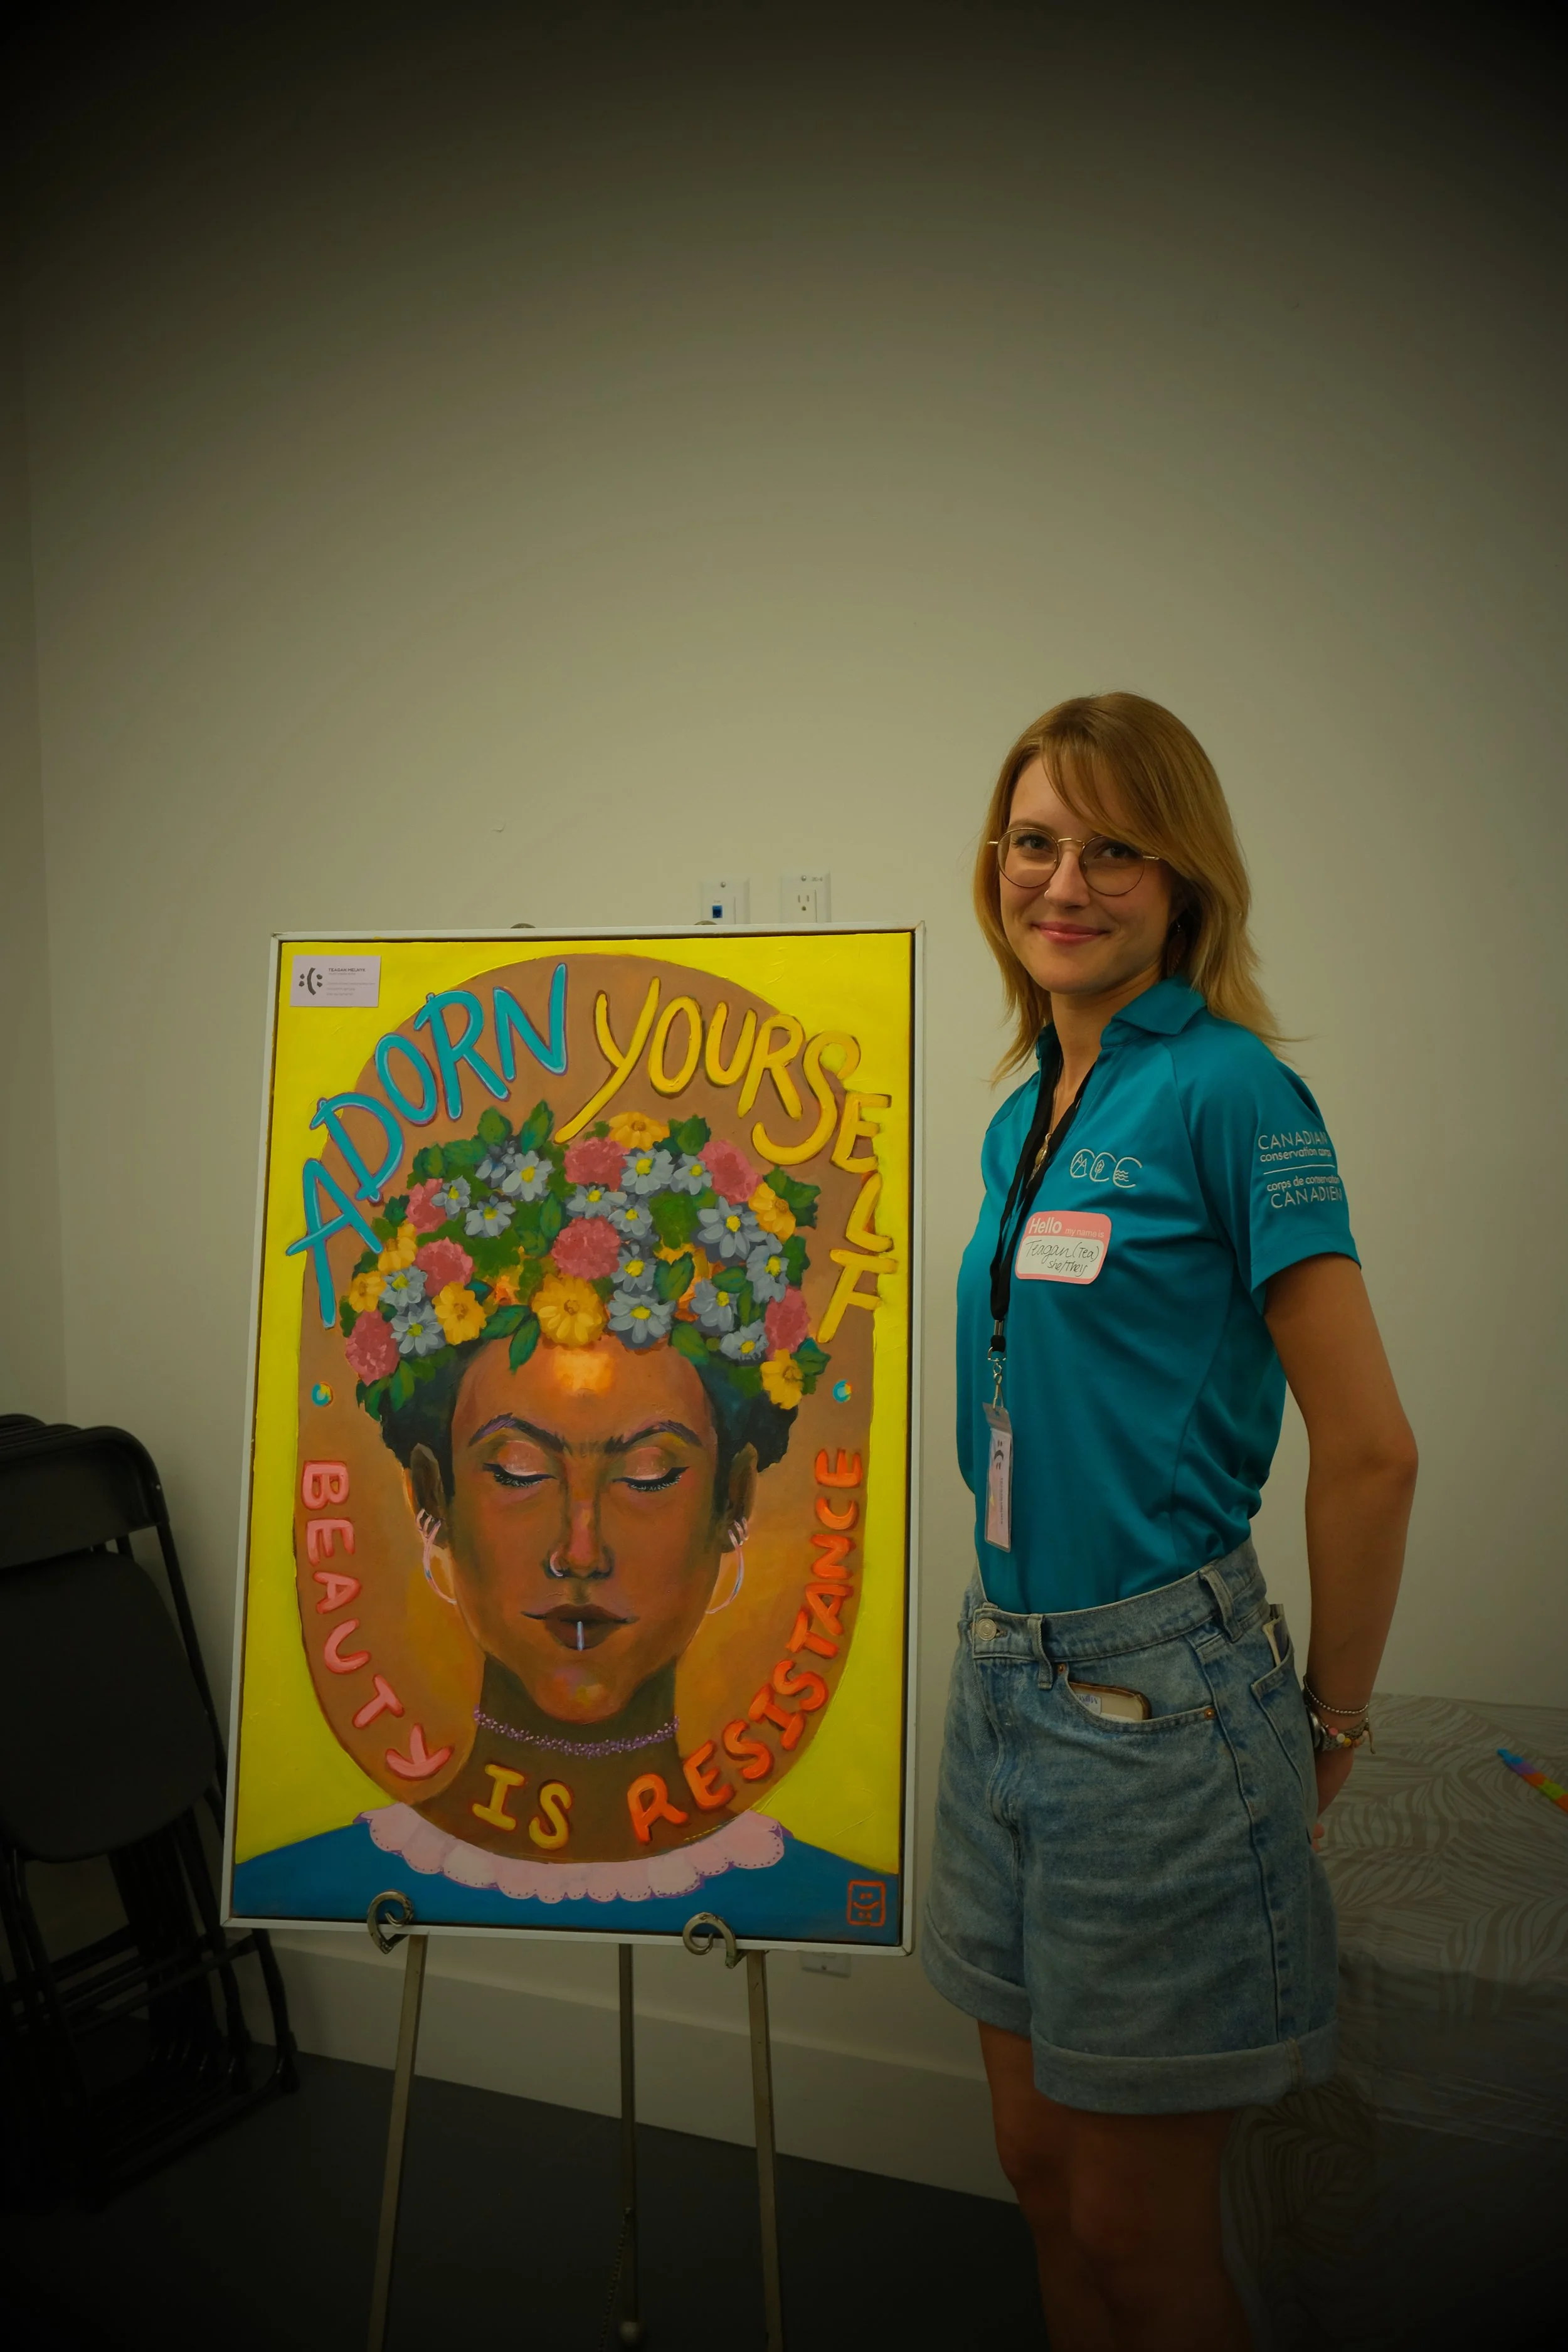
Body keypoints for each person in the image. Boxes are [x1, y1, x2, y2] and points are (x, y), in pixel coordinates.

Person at [921, 694, 1417, 2349]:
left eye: (1111, 845)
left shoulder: (1227, 1092)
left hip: (1153, 1705)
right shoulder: (1021, 1113)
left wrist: (1328, 1718)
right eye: (1034, 839)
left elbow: (1370, 1451)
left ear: (1181, 874)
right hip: (1000, 1683)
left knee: (1141, 2234)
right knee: (1039, 2178)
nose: (1063, 879)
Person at [233, 1101, 891, 1941]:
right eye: (516, 1471)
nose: (579, 1550)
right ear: (431, 1496)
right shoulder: (299, 1881)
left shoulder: (817, 1895)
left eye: (649, 1474)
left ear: (735, 1500)